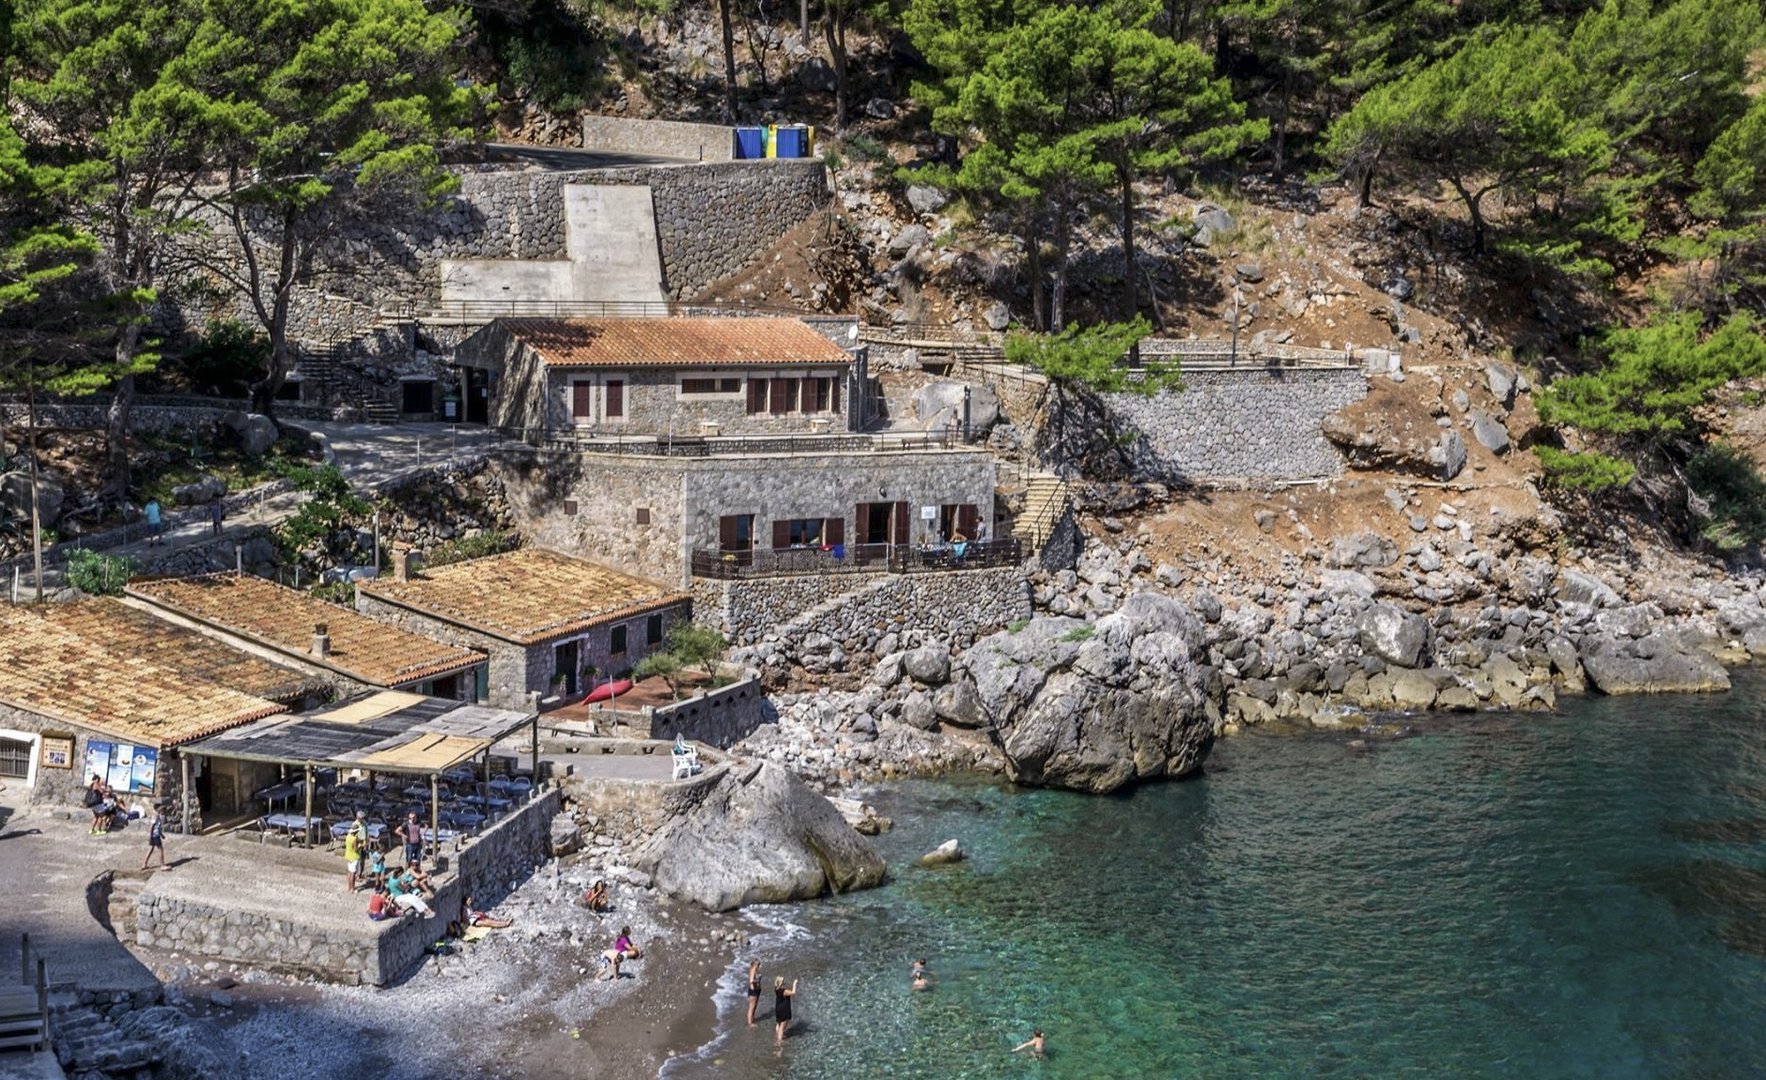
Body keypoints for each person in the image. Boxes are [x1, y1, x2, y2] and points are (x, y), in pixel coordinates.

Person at [343, 811, 366, 893]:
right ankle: (352, 888)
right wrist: (361, 845)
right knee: (353, 873)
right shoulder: (354, 839)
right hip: (354, 856)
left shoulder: (348, 836)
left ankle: (349, 887)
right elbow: (356, 849)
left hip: (348, 855)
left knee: (349, 872)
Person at [773, 976, 798, 1044]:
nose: (785, 983)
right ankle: (779, 1041)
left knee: (778, 1023)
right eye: (783, 982)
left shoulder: (777, 989)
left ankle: (777, 1035)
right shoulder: (784, 991)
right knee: (782, 1026)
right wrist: (794, 984)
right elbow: (793, 992)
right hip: (784, 1009)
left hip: (778, 1008)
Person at [746, 961, 763, 1026]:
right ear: (755, 965)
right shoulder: (753, 970)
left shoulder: (755, 970)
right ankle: (750, 1023)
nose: (760, 966)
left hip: (757, 990)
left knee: (754, 1006)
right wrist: (757, 981)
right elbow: (751, 981)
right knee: (752, 1007)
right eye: (758, 965)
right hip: (753, 991)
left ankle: (752, 1019)